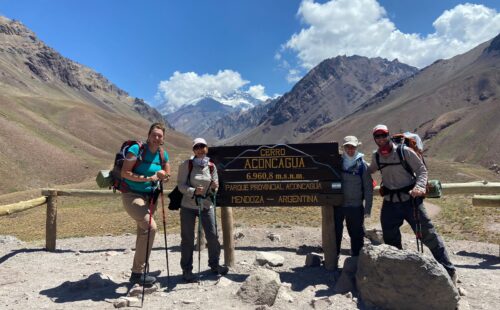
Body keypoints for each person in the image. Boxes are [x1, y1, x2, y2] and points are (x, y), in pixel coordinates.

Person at [368, 124, 456, 282]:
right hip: (390, 202)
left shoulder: (404, 151)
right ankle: (398, 271)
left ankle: (449, 272)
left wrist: (420, 186)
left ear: (388, 135)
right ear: (374, 139)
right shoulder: (376, 156)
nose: (381, 139)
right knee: (390, 237)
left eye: (383, 135)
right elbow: (370, 170)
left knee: (428, 235)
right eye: (377, 136)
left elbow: (422, 170)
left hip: (411, 201)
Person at [121, 122, 171, 285]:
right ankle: (137, 273)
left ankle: (138, 269)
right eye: (154, 135)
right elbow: (125, 172)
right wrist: (147, 178)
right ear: (149, 135)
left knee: (143, 231)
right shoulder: (135, 150)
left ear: (163, 139)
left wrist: (164, 175)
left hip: (151, 197)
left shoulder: (163, 155)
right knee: (150, 228)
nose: (157, 138)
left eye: (160, 136)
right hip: (132, 194)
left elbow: (168, 175)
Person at [177, 137, 228, 282]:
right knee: (187, 239)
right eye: (197, 147)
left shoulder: (211, 166)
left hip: (206, 206)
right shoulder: (187, 165)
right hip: (188, 206)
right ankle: (187, 270)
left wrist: (213, 188)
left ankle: (215, 265)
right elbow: (181, 185)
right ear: (193, 150)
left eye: (202, 146)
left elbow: (215, 188)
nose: (200, 149)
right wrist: (193, 191)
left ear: (206, 148)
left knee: (212, 236)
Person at [335, 136, 373, 259]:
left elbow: (368, 188)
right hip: (339, 205)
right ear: (344, 148)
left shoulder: (362, 165)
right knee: (335, 232)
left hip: (355, 206)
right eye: (348, 147)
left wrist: (367, 209)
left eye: (353, 147)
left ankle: (356, 261)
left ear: (357, 148)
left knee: (356, 234)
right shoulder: (338, 163)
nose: (350, 150)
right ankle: (334, 257)